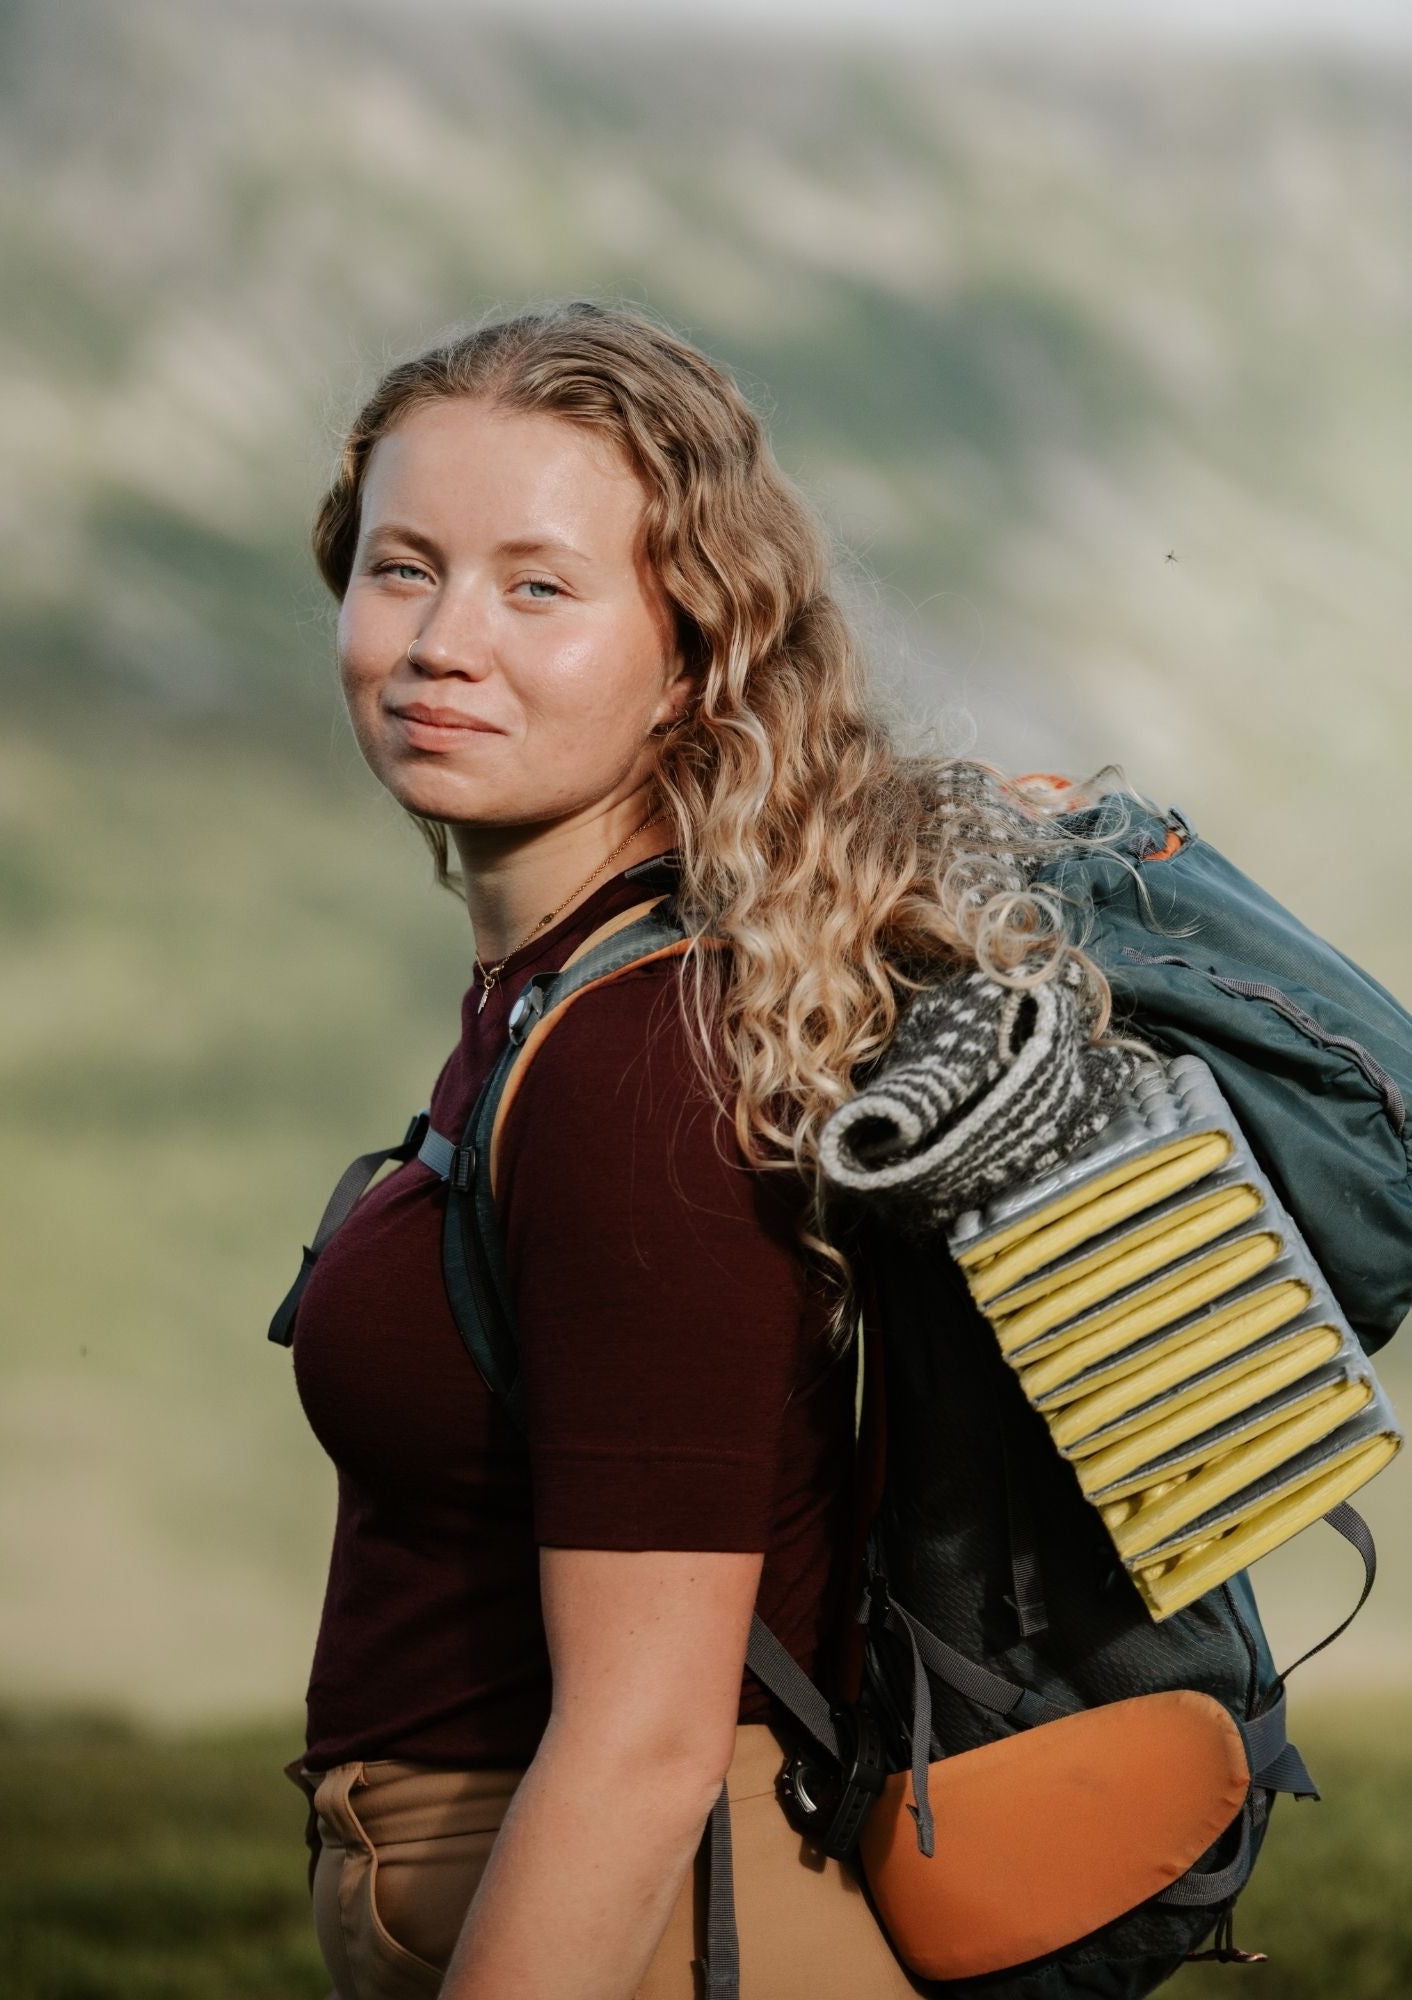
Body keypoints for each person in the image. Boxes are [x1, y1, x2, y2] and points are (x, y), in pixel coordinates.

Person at [280, 300, 1120, 1999]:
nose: (444, 640)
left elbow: (647, 1745)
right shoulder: (559, 995)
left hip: (660, 1923)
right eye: (401, 567)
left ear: (694, 647)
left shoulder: (641, 1064)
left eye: (539, 586)